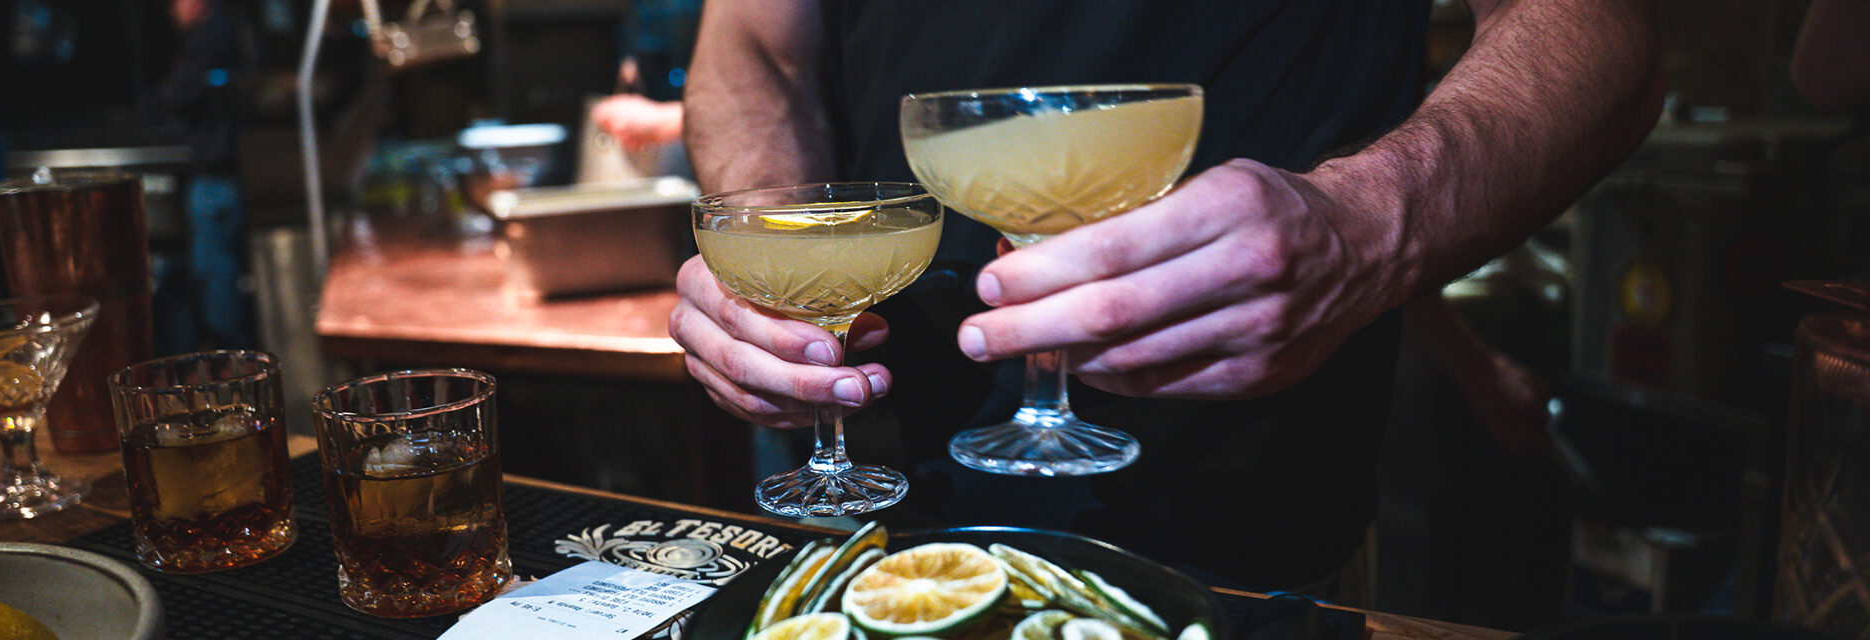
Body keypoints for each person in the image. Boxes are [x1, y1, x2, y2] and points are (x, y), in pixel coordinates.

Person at [672, 0, 1662, 591]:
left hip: (1249, 534)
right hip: (879, 521)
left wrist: (1364, 224)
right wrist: (775, 238)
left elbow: (1600, 27)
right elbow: (754, 41)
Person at [158, 0, 254, 350]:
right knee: (215, 272)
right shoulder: (227, 32)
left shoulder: (210, 37)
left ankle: (229, 362)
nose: (171, 9)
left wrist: (173, 85)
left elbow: (177, 95)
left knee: (215, 275)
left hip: (216, 176)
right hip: (221, 174)